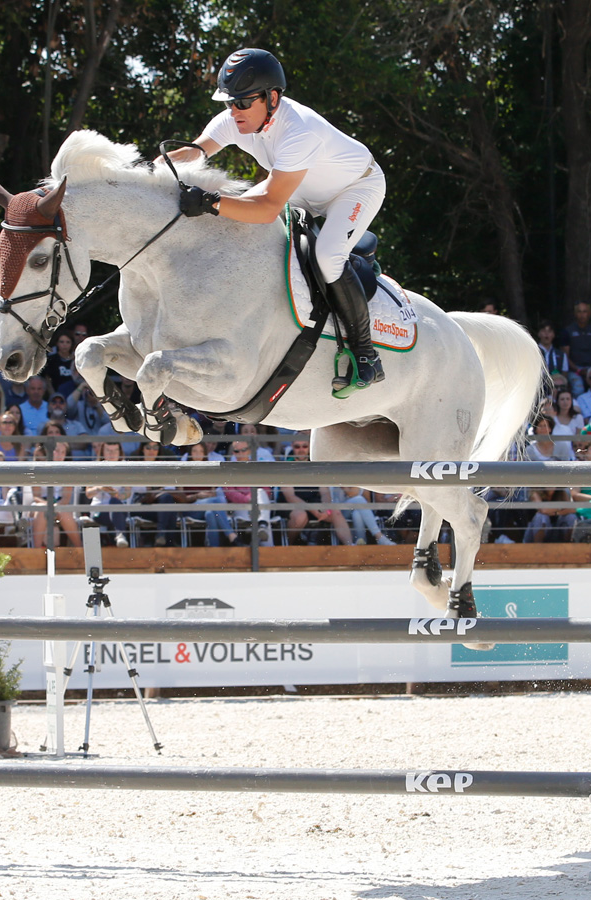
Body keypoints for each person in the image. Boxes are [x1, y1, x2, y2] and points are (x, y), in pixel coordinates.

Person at [169, 48, 387, 396]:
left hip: (354, 188)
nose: (233, 111)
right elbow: (196, 152)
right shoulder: (234, 121)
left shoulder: (299, 131)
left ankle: (366, 353)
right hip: (299, 184)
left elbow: (268, 207)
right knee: (235, 224)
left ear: (271, 98)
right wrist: (145, 173)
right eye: (229, 103)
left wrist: (211, 202)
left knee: (328, 257)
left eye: (242, 102)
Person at [84, 442, 136, 547]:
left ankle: (119, 536)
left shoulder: (126, 468)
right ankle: (120, 535)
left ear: (120, 452)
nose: (112, 454)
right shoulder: (94, 468)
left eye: (115, 450)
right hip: (99, 511)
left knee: (115, 502)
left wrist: (118, 495)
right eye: (108, 450)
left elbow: (127, 493)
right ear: (102, 452)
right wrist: (100, 488)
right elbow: (88, 494)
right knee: (115, 505)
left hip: (119, 510)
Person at [559, 301, 591, 378]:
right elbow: (565, 357)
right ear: (575, 314)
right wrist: (578, 370)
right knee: (578, 388)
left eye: (584, 312)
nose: (582, 315)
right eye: (579, 312)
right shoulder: (567, 331)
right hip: (574, 370)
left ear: (589, 314)